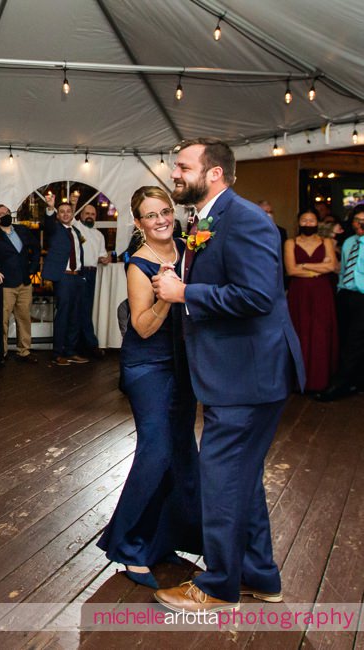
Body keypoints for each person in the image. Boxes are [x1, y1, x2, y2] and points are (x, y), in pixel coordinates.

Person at [152, 138, 304, 612]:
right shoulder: (210, 218)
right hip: (235, 373)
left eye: (182, 166)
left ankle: (217, 587)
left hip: (247, 376)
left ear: (213, 173)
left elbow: (258, 295)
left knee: (221, 479)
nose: (174, 173)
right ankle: (260, 576)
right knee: (242, 478)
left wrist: (185, 294)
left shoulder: (247, 221)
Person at [97, 186, 201, 588]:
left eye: (165, 212)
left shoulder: (188, 250)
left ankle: (163, 539)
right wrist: (166, 296)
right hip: (148, 366)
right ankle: (128, 544)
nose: (160, 220)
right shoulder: (137, 264)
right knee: (155, 451)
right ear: (138, 224)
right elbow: (141, 325)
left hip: (183, 365)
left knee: (180, 452)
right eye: (150, 215)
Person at [283, 210, 339, 392]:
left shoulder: (327, 242)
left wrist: (305, 266)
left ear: (318, 222)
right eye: (304, 220)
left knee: (321, 333)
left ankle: (319, 380)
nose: (308, 223)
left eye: (312, 220)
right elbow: (291, 270)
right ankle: (299, 379)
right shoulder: (290, 243)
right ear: (299, 223)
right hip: (299, 293)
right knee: (300, 331)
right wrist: (318, 269)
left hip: (322, 292)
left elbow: (332, 266)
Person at [314, 205, 364, 401]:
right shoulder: (349, 242)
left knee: (354, 341)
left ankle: (339, 384)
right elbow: (342, 268)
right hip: (344, 294)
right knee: (344, 338)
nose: (361, 224)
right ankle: (355, 382)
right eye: (358, 220)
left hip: (363, 297)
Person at [0, 204, 41, 363]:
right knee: (2, 321)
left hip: (24, 283)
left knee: (24, 318)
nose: (5, 214)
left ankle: (24, 352)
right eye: (1, 214)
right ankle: (1, 353)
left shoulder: (22, 230)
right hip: (6, 285)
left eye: (7, 212)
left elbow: (36, 248)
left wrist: (33, 268)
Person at [43, 203, 89, 366]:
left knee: (75, 315)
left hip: (77, 277)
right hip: (63, 277)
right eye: (61, 212)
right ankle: (57, 353)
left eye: (68, 211)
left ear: (72, 214)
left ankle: (70, 351)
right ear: (57, 215)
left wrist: (82, 275)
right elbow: (47, 224)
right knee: (63, 314)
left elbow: (79, 254)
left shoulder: (76, 231)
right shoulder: (55, 229)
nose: (65, 214)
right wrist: (50, 208)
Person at [74, 203, 111, 358]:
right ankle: (90, 344)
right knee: (79, 309)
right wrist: (74, 202)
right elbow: (70, 219)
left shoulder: (99, 235)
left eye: (93, 214)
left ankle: (83, 345)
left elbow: (102, 256)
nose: (90, 216)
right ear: (81, 216)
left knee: (87, 308)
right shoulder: (76, 228)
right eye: (87, 213)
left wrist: (107, 258)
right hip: (78, 273)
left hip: (92, 273)